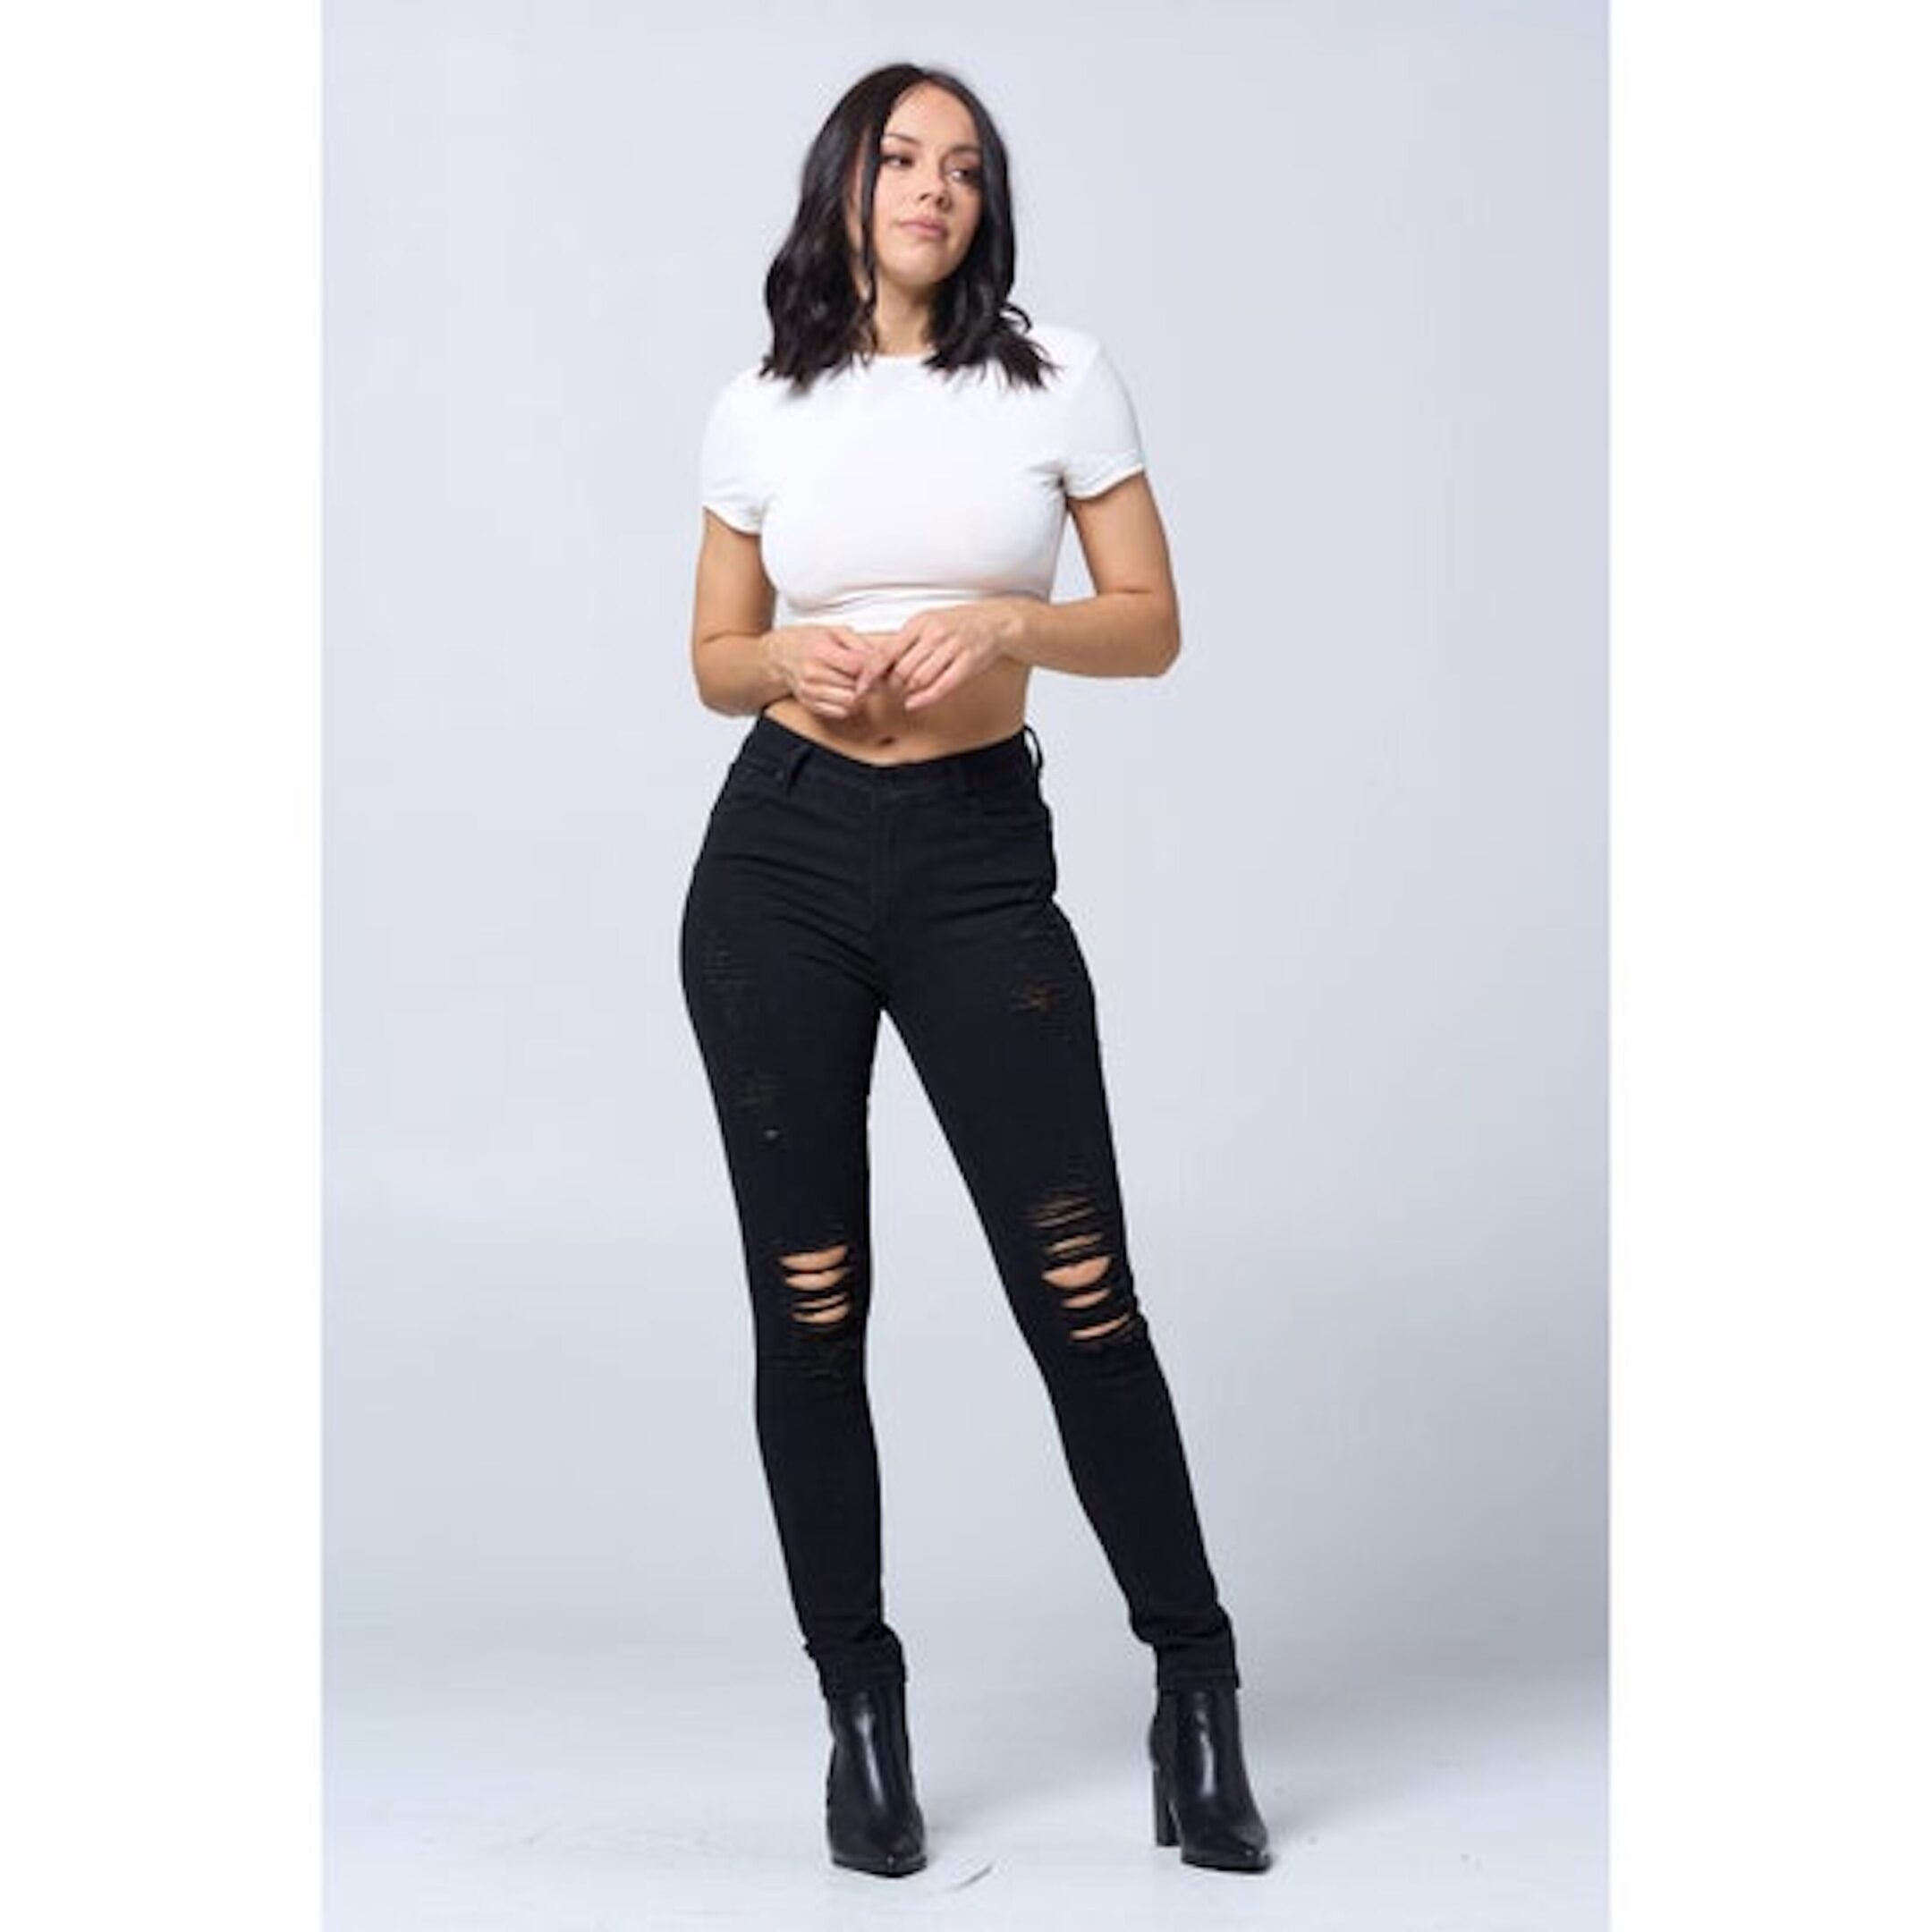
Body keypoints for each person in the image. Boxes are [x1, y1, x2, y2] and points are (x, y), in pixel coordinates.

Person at [679, 62, 1272, 1877]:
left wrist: (1009, 622)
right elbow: (712, 656)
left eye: (963, 165)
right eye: (901, 157)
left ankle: (1196, 1691)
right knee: (810, 1305)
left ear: (985, 202)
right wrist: (791, 664)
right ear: (846, 185)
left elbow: (1151, 625)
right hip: (778, 860)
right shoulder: (763, 402)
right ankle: (861, 1714)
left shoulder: (1059, 376)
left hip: (974, 859)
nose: (932, 186)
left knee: (1082, 1292)